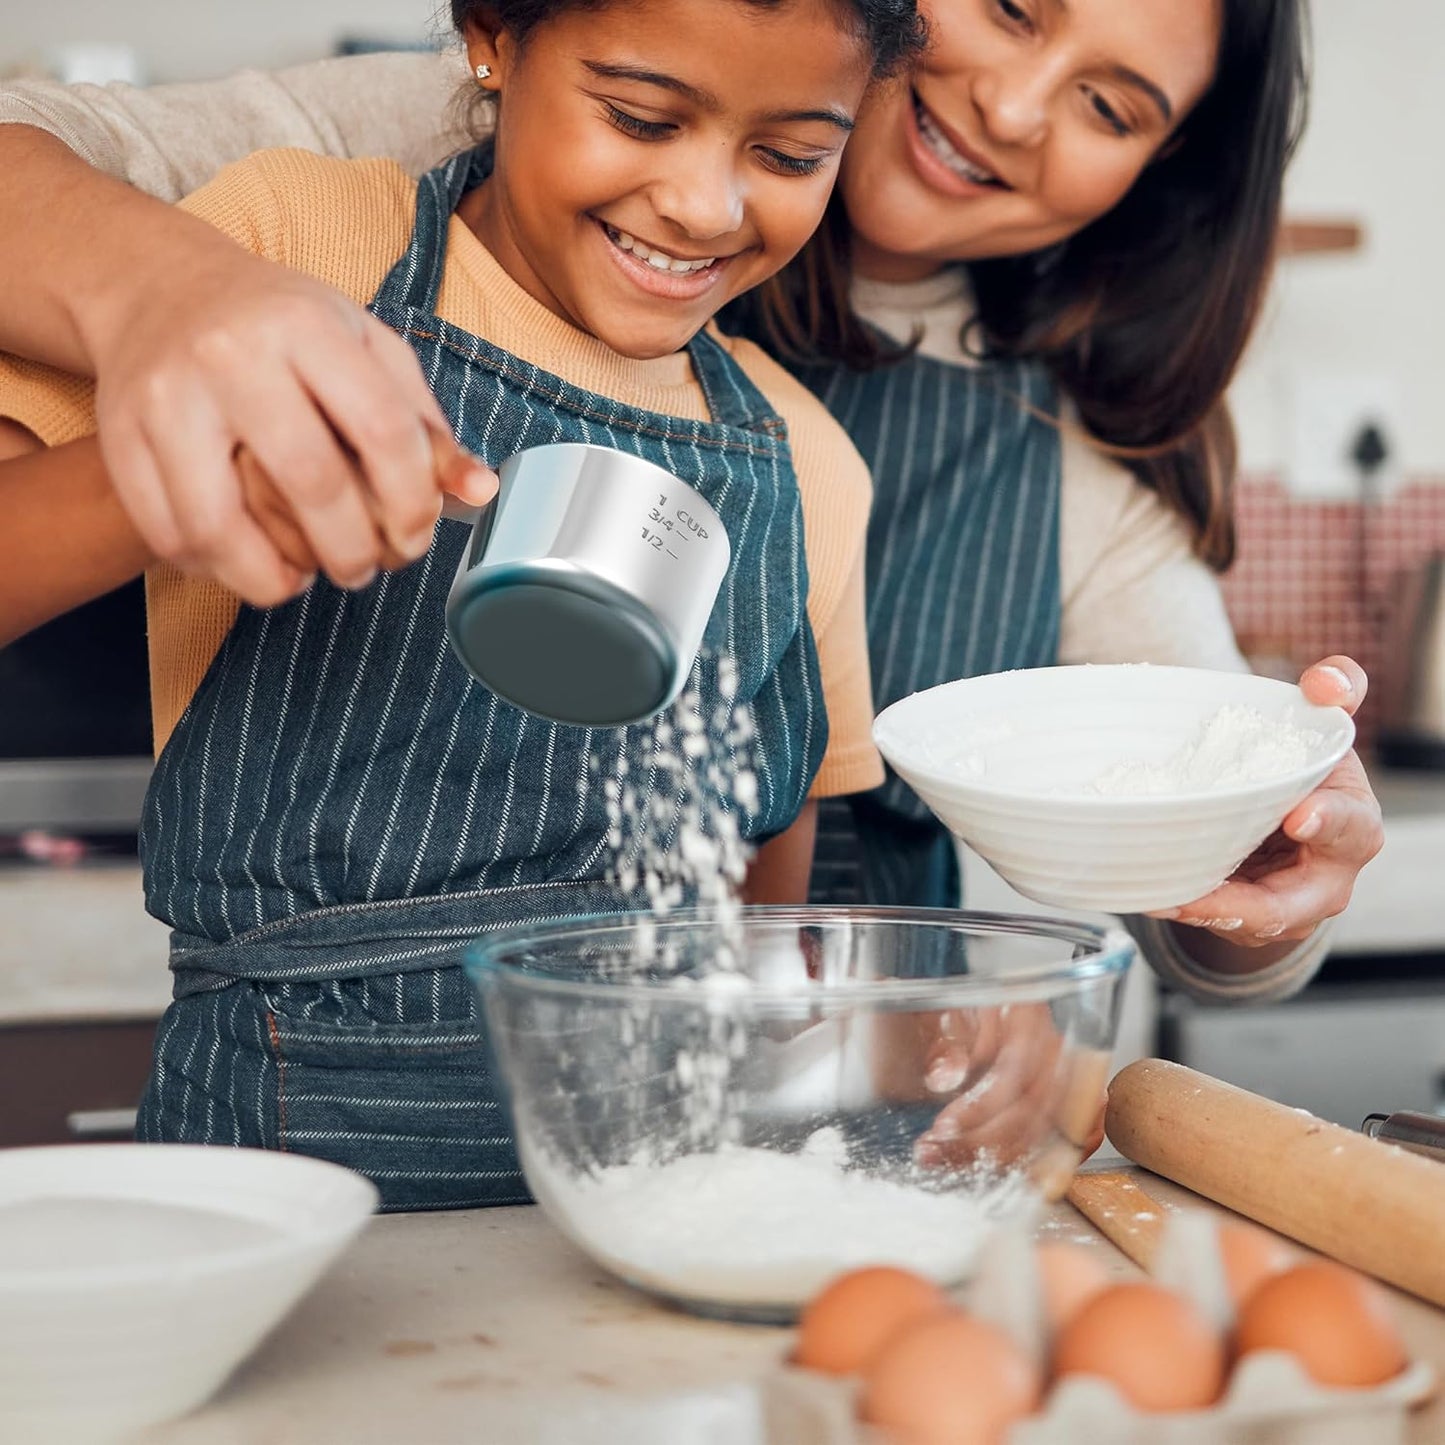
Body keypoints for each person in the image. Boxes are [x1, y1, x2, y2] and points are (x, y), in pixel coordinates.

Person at [0, 0, 1383, 1140]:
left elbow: (767, 938)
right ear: (496, 46)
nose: (1015, 108)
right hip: (269, 1112)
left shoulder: (823, 462)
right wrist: (184, 341)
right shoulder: (332, 217)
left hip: (690, 1153)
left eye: (1111, 106)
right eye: (1014, 8)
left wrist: (1246, 856)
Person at [0, 0, 931, 1209]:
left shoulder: (803, 464)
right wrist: (183, 474)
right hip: (278, 1162)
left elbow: (766, 864)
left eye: (792, 155)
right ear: (490, 34)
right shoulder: (292, 247)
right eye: (640, 116)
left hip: (634, 1197)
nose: (706, 204)